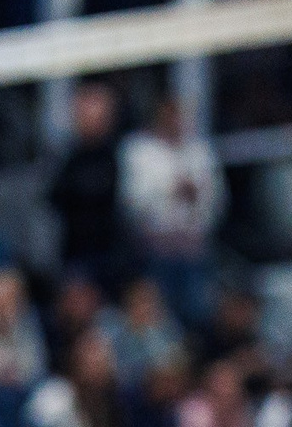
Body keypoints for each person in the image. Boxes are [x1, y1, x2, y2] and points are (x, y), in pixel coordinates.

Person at [120, 96, 222, 323]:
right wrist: (170, 190)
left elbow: (216, 201)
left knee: (198, 313)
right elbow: (132, 202)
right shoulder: (139, 151)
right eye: (171, 116)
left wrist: (197, 197)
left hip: (193, 248)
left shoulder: (199, 151)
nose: (177, 122)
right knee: (161, 314)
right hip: (157, 249)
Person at [48, 82, 124, 285]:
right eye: (85, 114)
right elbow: (54, 198)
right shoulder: (67, 157)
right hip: (74, 249)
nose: (90, 121)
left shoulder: (117, 155)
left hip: (111, 251)